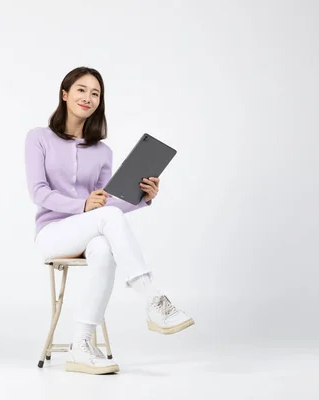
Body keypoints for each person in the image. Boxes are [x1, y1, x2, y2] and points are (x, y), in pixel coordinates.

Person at [24, 66, 194, 375]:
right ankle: (153, 300)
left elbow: (106, 206)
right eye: (81, 90)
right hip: (52, 233)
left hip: (91, 231)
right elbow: (38, 192)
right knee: (106, 222)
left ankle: (81, 345)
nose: (88, 97)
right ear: (65, 94)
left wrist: (143, 198)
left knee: (103, 248)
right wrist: (83, 204)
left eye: (95, 93)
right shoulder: (38, 138)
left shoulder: (102, 151)